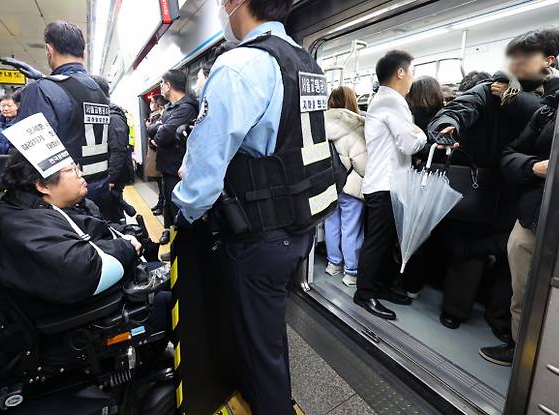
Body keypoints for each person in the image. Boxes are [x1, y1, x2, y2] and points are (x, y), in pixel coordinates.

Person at [172, 0, 338, 413]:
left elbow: (206, 165)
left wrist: (184, 213)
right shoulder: (305, 63)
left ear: (237, 3)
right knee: (265, 328)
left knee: (257, 339)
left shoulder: (239, 65)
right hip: (301, 223)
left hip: (259, 232)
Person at [427, 28, 559, 335]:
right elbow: (460, 107)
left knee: (510, 262)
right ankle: (455, 309)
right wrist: (446, 124)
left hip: (525, 187)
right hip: (486, 181)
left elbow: (551, 123)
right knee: (469, 250)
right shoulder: (496, 86)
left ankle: (500, 320)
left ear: (548, 61)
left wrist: (517, 102)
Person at [0, 152, 166, 323]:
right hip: (82, 310)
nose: (80, 174)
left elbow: (93, 227)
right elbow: (80, 268)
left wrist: (128, 232)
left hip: (105, 287)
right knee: (173, 296)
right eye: (71, 170)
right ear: (43, 185)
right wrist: (126, 246)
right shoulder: (24, 226)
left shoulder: (55, 206)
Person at [479, 90, 559, 366]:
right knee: (522, 289)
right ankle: (518, 346)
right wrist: (535, 167)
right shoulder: (549, 109)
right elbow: (509, 154)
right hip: (534, 213)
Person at [353, 50, 428, 321]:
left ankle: (379, 286)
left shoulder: (383, 100)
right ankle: (364, 294)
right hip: (385, 184)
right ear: (400, 72)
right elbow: (409, 143)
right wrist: (420, 136)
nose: (412, 78)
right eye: (411, 72)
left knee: (385, 242)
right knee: (378, 242)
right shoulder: (392, 102)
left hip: (386, 182)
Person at [15, 21, 116, 220]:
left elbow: (28, 158)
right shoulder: (98, 91)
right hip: (98, 192)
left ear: (48, 49)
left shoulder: (41, 91)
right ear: (83, 54)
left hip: (63, 202)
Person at [324, 86, 367, 287]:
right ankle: (351, 272)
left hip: (328, 184)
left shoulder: (319, 121)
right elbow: (362, 164)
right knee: (351, 228)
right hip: (350, 185)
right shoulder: (357, 126)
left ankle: (333, 263)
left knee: (331, 223)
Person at [151, 69, 198, 241]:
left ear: (169, 85)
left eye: (162, 84)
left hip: (178, 170)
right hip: (167, 168)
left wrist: (159, 128)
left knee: (179, 212)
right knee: (169, 210)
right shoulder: (170, 108)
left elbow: (162, 136)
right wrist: (159, 129)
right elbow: (153, 130)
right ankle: (174, 247)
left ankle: (181, 252)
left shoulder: (186, 108)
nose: (161, 87)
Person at [91, 75, 134, 223]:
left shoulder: (113, 117)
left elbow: (118, 150)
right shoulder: (103, 114)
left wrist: (111, 179)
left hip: (111, 180)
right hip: (107, 177)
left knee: (113, 215)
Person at [145, 94, 167, 216]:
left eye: (152, 102)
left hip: (157, 152)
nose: (150, 104)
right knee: (159, 182)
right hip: (155, 152)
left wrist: (149, 128)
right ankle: (160, 204)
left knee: (161, 181)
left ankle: (162, 205)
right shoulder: (155, 116)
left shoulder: (160, 116)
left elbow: (155, 135)